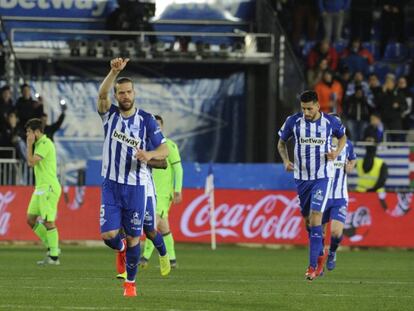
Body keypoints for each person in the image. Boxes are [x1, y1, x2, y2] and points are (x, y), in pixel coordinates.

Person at [97, 57, 170, 297]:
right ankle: (119, 249)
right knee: (109, 235)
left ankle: (130, 283)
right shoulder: (110, 115)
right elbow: (101, 95)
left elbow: (165, 150)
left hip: (137, 187)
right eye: (121, 92)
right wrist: (113, 72)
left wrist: (148, 154)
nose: (125, 96)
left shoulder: (146, 120)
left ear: (134, 94)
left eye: (128, 92)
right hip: (111, 184)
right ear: (117, 95)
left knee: (138, 236)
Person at [277, 90, 346, 281]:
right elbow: (281, 144)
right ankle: (320, 253)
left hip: (322, 176)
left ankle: (312, 266)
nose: (306, 112)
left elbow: (343, 138)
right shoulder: (293, 121)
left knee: (316, 215)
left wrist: (336, 153)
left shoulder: (330, 122)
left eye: (309, 108)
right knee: (309, 222)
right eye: (303, 109)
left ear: (317, 105)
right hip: (302, 178)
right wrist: (285, 160)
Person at [141, 115, 183, 269]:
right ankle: (172, 260)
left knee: (152, 224)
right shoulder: (148, 146)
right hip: (149, 191)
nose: (156, 128)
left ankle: (144, 258)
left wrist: (177, 190)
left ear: (162, 127)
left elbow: (178, 169)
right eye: (154, 125)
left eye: (158, 126)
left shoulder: (169, 146)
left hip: (163, 194)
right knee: (164, 227)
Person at [25, 118, 62, 265]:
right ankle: (52, 246)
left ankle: (54, 256)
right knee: (30, 219)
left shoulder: (45, 143)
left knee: (48, 221)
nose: (27, 135)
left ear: (37, 132)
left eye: (29, 132)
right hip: (40, 188)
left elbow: (31, 162)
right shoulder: (39, 144)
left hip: (48, 187)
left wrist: (29, 145)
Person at [323, 115, 356, 271]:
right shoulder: (322, 144)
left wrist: (351, 166)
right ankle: (317, 263)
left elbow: (352, 160)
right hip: (322, 196)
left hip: (340, 196)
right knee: (319, 234)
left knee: (336, 233)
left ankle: (333, 252)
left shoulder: (348, 145)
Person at [355, 137, 388, 211]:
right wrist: (372, 190)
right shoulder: (381, 163)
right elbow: (382, 180)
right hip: (374, 195)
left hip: (363, 194)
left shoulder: (359, 162)